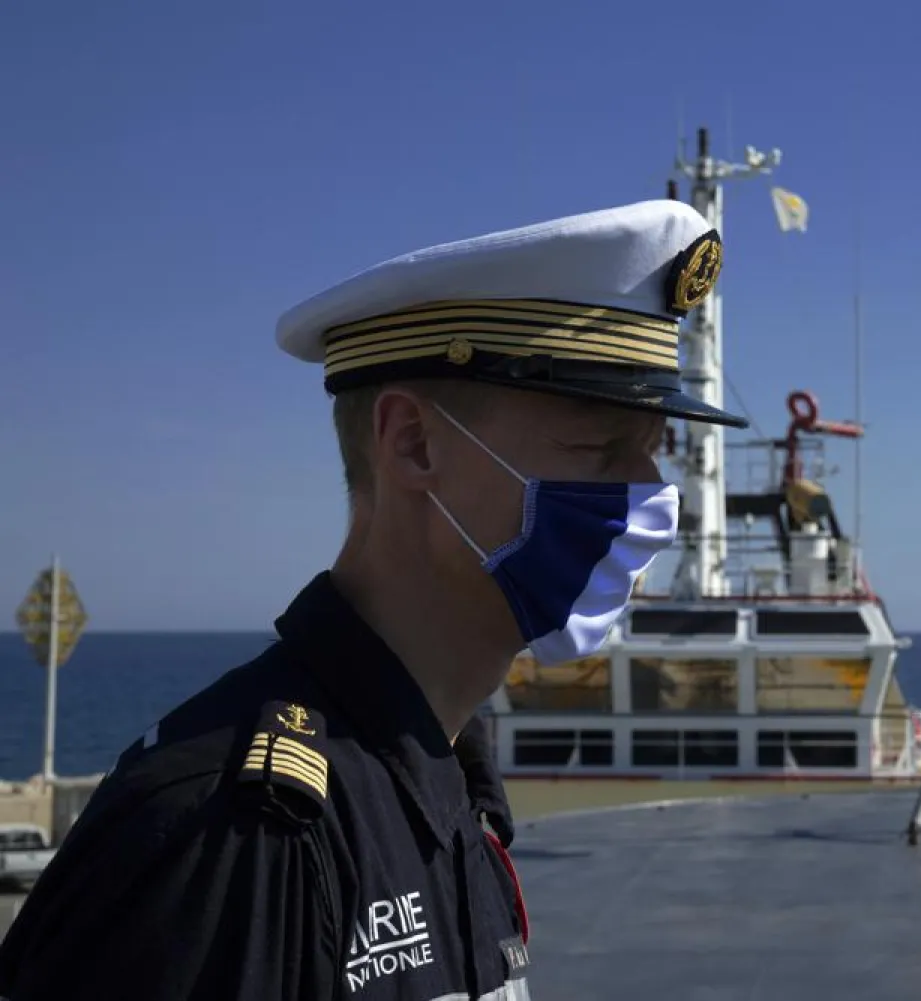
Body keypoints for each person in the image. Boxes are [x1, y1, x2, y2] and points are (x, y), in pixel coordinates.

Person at [0, 199, 747, 1000]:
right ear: (413, 444)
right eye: (601, 447)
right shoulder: (237, 831)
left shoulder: (451, 788)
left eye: (652, 452)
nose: (653, 497)